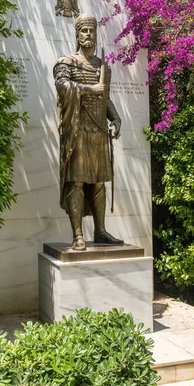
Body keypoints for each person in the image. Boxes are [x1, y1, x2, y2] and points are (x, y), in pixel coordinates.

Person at [53, 13, 123, 250]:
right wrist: (89, 88)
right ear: (77, 34)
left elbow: (106, 97)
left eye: (92, 30)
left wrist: (115, 117)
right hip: (77, 129)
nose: (88, 35)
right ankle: (77, 235)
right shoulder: (66, 62)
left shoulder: (103, 66)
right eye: (84, 30)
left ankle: (100, 231)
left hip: (99, 130)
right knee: (78, 181)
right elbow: (62, 86)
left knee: (99, 182)